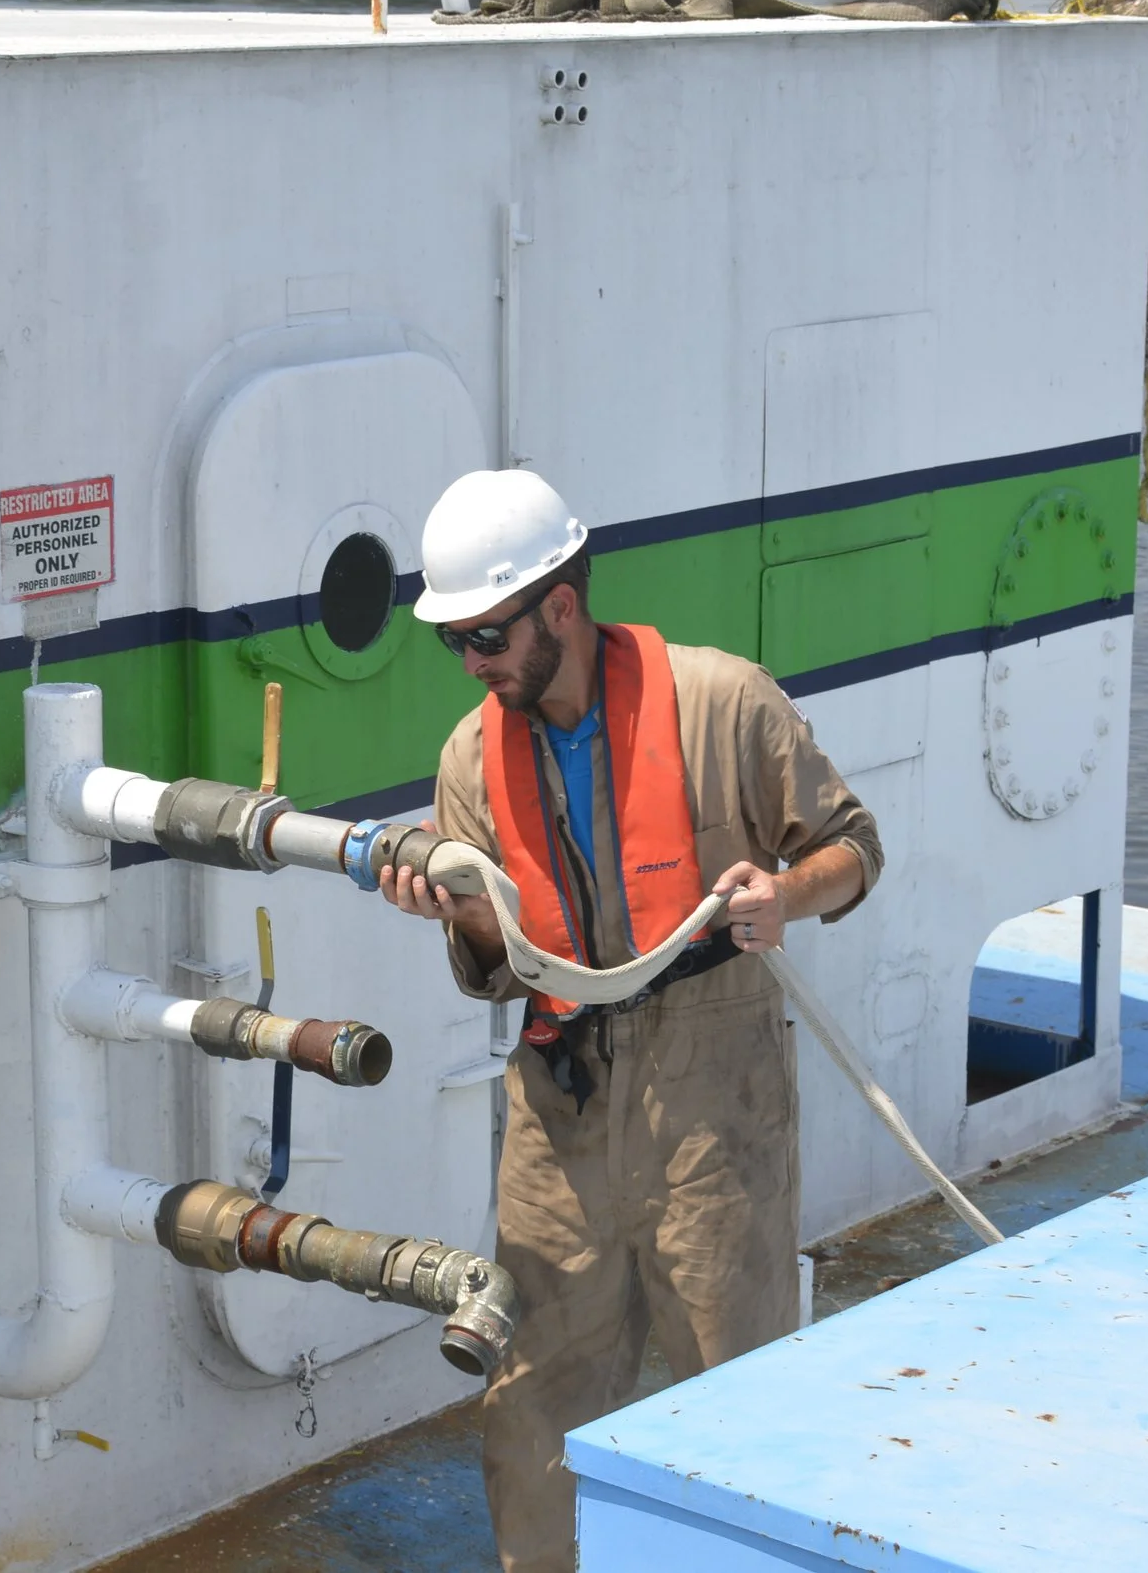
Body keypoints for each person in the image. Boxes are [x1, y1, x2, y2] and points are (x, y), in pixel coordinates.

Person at [377, 468, 884, 1573]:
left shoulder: (723, 700)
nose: (472, 664)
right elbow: (499, 971)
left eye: (486, 635)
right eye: (454, 642)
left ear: (560, 603)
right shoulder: (472, 756)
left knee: (734, 1392)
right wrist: (457, 915)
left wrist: (784, 897)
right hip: (558, 1106)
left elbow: (852, 847)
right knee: (529, 1408)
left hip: (715, 1088)